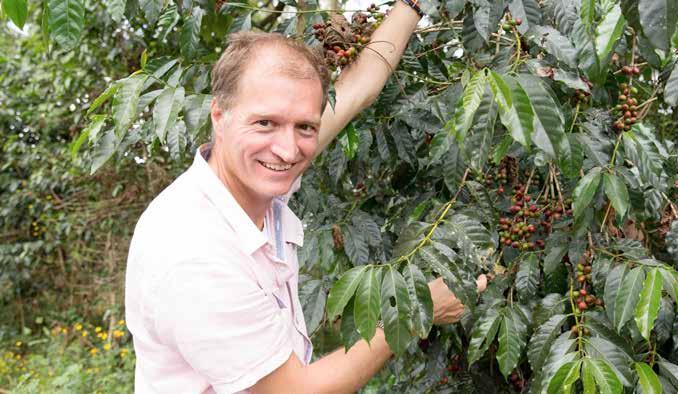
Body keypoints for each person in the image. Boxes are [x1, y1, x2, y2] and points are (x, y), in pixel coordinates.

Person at [124, 1, 488, 393]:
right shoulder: (194, 252)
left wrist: (413, 6)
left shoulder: (253, 182)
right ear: (219, 115)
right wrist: (420, 309)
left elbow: (359, 87)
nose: (287, 149)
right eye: (265, 123)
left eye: (305, 127)